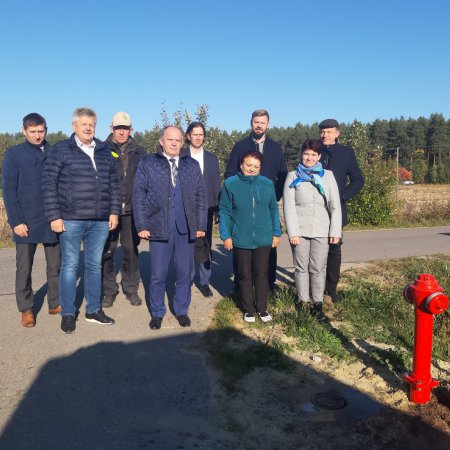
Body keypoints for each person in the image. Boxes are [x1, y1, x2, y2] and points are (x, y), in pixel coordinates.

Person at [42, 108, 120, 334]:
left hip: (100, 220)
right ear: (74, 126)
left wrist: (113, 212)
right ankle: (68, 313)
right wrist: (54, 216)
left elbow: (114, 185)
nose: (88, 128)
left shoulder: (105, 151)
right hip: (71, 219)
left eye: (91, 124)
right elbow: (48, 185)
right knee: (70, 266)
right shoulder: (61, 151)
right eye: (83, 124)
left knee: (94, 265)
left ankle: (93, 310)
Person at [133, 126, 207, 330]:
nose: (174, 143)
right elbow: (138, 194)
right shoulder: (148, 163)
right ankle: (157, 312)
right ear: (161, 141)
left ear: (183, 142)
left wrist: (201, 225)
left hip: (186, 228)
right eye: (170, 139)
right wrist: (141, 223)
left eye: (178, 140)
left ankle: (181, 310)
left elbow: (201, 196)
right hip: (158, 227)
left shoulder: (191, 165)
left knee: (185, 273)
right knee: (157, 274)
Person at [2, 113, 61, 327]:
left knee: (55, 265)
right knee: (24, 268)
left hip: (52, 218)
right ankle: (26, 308)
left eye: (41, 131)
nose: (37, 136)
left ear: (46, 129)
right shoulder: (14, 154)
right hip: (25, 220)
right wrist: (16, 220)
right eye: (33, 132)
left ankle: (55, 302)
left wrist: (60, 216)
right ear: (24, 131)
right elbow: (8, 190)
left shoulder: (55, 152)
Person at [224, 109, 287, 291]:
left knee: (269, 246)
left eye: (262, 122)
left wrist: (275, 197)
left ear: (267, 124)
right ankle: (240, 285)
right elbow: (229, 174)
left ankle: (268, 283)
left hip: (266, 204)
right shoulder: (240, 146)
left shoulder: (275, 148)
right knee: (241, 247)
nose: (259, 125)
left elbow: (282, 175)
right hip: (243, 205)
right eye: (256, 122)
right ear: (251, 123)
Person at [220, 151, 281, 323]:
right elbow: (224, 210)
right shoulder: (230, 184)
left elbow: (273, 210)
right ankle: (248, 309)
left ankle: (262, 308)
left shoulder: (267, 184)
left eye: (256, 166)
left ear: (260, 168)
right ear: (241, 165)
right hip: (240, 237)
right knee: (244, 274)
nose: (252, 169)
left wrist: (276, 232)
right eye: (248, 165)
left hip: (264, 237)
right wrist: (226, 235)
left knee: (261, 273)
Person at [283, 139, 341, 317]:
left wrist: (335, 232)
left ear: (319, 156)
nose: (309, 158)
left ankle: (317, 303)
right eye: (306, 154)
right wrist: (293, 232)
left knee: (317, 268)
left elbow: (335, 205)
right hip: (299, 231)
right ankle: (302, 301)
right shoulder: (293, 176)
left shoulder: (328, 176)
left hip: (322, 230)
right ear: (301, 155)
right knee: (301, 268)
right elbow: (289, 206)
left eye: (313, 155)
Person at [101, 112, 147, 308]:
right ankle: (109, 290)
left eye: (125, 128)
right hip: (108, 210)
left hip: (131, 211)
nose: (121, 132)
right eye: (118, 128)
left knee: (130, 250)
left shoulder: (140, 152)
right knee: (107, 251)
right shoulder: (100, 150)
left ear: (131, 130)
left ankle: (131, 288)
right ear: (111, 128)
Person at [319, 119, 364, 303]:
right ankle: (313, 286)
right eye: (322, 132)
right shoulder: (313, 151)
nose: (325, 135)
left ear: (337, 133)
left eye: (329, 132)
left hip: (336, 211)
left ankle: (331, 288)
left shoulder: (346, 153)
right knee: (314, 249)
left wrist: (342, 197)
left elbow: (358, 180)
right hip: (315, 210)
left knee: (334, 249)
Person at [185, 122, 221, 298]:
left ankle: (204, 281)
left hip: (205, 208)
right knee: (186, 245)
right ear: (188, 136)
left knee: (205, 245)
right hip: (184, 207)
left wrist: (216, 209)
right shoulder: (182, 155)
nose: (198, 137)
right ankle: (186, 279)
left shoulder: (212, 158)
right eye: (195, 134)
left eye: (201, 134)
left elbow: (215, 184)